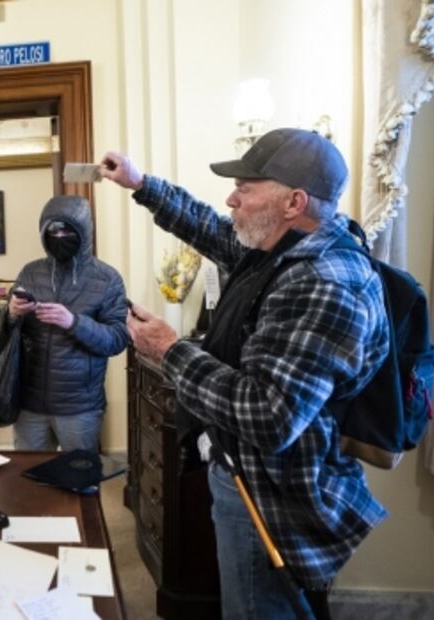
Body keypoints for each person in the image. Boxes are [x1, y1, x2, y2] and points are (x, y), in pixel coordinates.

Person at [101, 128, 390, 619]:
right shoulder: (282, 251)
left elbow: (270, 416)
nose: (232, 198)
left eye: (246, 188)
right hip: (244, 477)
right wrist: (141, 184)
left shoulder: (323, 282)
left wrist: (169, 350)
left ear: (294, 202)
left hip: (273, 498)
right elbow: (211, 229)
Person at [4, 195, 130, 452]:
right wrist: (12, 313)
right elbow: (7, 332)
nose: (59, 236)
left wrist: (73, 322)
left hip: (79, 407)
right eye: (53, 230)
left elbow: (117, 339)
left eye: (66, 230)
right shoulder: (30, 272)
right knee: (30, 484)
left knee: (80, 484)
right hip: (29, 403)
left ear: (83, 231)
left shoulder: (108, 279)